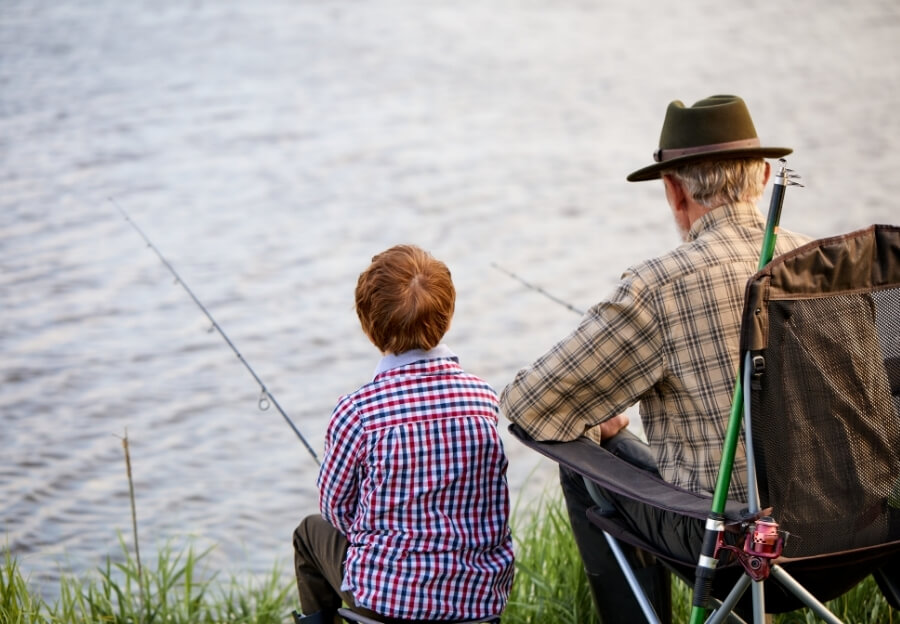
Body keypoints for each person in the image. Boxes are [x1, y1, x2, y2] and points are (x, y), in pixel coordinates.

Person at [500, 94, 811, 623]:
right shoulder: (824, 265)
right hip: (845, 539)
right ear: (762, 177)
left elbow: (528, 405)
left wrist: (600, 418)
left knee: (582, 466)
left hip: (732, 550)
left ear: (673, 190)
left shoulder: (658, 287)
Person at [293, 244, 515, 624]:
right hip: (477, 602)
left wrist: (375, 532)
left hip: (385, 603)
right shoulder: (483, 398)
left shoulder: (358, 411)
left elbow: (334, 508)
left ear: (368, 325)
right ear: (447, 314)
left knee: (309, 533)